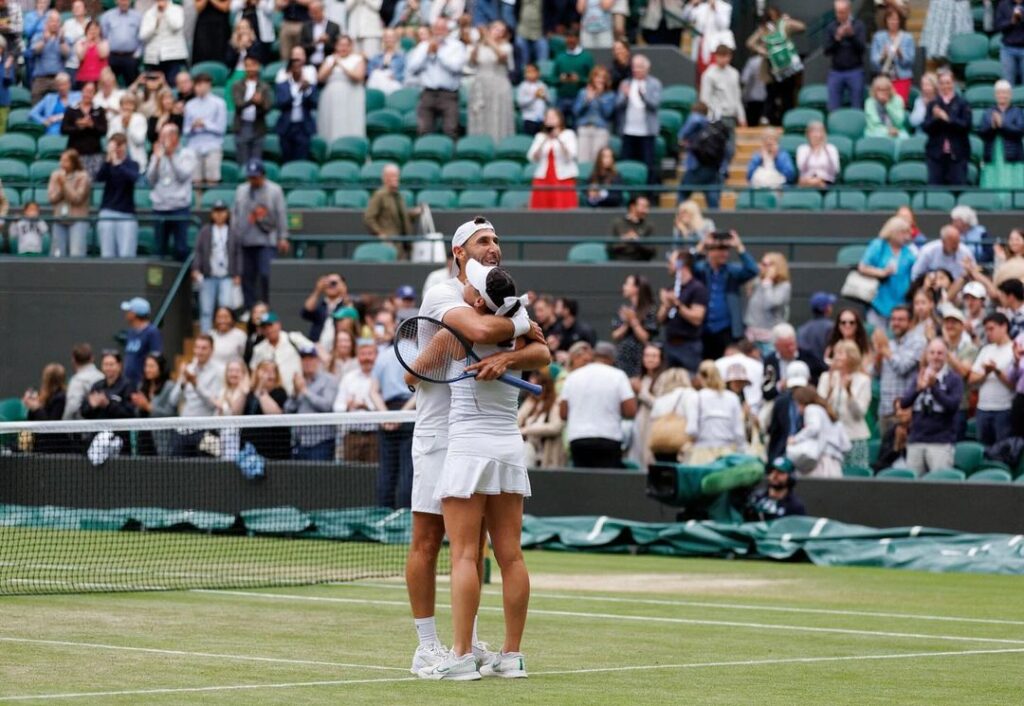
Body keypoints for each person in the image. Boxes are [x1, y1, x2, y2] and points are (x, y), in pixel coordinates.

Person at [403, 217, 549, 676]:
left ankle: (464, 646)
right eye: (483, 241)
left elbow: (540, 352)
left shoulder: (498, 298)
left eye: (497, 241)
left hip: (478, 435)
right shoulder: (443, 295)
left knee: (477, 548)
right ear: (459, 254)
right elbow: (483, 334)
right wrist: (515, 332)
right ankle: (429, 645)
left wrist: (511, 354)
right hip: (439, 434)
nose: (494, 247)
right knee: (429, 540)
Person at [559, 341, 636, 468]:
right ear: (612, 359)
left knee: (583, 483)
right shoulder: (618, 375)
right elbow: (631, 411)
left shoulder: (572, 377)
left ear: (594, 355)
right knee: (607, 484)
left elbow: (563, 414)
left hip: (578, 438)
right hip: (609, 437)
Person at [899, 336, 962, 475]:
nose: (935, 357)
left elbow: (952, 406)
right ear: (926, 356)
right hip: (916, 440)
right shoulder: (918, 376)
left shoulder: (954, 379)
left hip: (941, 442)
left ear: (946, 356)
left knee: (940, 486)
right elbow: (904, 403)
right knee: (914, 488)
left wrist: (934, 388)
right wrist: (918, 389)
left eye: (940, 353)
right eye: (932, 353)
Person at [692, 230, 758, 360]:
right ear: (710, 252)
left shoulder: (732, 271)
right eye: (719, 249)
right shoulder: (702, 270)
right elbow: (687, 266)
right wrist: (702, 245)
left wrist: (739, 247)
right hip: (704, 329)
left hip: (726, 329)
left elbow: (752, 270)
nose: (724, 253)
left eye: (726, 250)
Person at [233, 158, 289, 308]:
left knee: (266, 274)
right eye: (250, 177)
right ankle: (250, 309)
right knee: (247, 277)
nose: (253, 180)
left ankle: (266, 305)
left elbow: (281, 213)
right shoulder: (241, 190)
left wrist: (283, 236)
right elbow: (235, 214)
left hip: (267, 240)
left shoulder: (274, 190)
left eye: (256, 176)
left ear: (263, 175)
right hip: (245, 240)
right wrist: (235, 236)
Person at [371, 340, 415, 507]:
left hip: (388, 414)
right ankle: (403, 518)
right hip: (409, 415)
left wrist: (385, 415)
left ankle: (383, 516)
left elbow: (373, 391)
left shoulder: (383, 355)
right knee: (407, 471)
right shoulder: (419, 353)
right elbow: (421, 391)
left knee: (386, 471)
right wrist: (401, 415)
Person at [407, 17, 466, 140]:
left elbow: (456, 68)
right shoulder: (423, 46)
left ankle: (452, 158)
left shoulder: (457, 46)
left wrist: (438, 53)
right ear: (432, 30)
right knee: (423, 130)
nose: (439, 32)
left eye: (442, 29)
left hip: (449, 94)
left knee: (451, 130)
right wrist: (427, 54)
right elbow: (412, 68)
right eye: (436, 29)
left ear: (447, 30)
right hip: (428, 93)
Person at [817, 339, 872, 467]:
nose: (837, 357)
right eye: (836, 353)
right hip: (831, 438)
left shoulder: (863, 380)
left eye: (841, 353)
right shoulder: (826, 377)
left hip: (854, 437)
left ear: (852, 357)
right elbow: (819, 408)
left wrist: (849, 393)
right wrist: (830, 392)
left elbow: (859, 413)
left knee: (855, 479)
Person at [746, 6, 805, 126]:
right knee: (771, 95)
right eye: (770, 17)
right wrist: (763, 51)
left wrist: (789, 20)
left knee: (788, 95)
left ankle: (789, 121)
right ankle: (767, 119)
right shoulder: (763, 30)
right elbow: (750, 42)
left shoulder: (784, 25)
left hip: (788, 67)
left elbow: (802, 27)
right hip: (771, 69)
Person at [872, 304, 924, 436]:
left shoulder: (918, 342)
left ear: (911, 322)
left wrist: (885, 350)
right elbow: (874, 373)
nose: (896, 323)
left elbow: (903, 367)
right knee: (886, 455)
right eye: (893, 319)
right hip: (885, 409)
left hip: (906, 413)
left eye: (900, 320)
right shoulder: (889, 343)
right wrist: (878, 354)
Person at [857, 215, 916, 330]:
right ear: (894, 232)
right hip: (878, 302)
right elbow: (863, 267)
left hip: (901, 302)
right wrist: (882, 273)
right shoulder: (879, 245)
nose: (907, 237)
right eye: (904, 233)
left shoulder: (908, 251)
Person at [147, 123, 195, 261]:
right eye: (161, 136)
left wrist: (170, 156)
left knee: (181, 248)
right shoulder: (157, 154)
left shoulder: (187, 154)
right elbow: (150, 179)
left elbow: (183, 175)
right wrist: (156, 160)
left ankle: (182, 281)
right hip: (159, 208)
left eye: (165, 136)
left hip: (179, 208)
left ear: (175, 137)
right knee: (158, 250)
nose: (161, 139)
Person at [192, 200, 242, 333]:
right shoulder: (205, 231)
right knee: (206, 310)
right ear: (212, 214)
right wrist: (196, 269)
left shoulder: (233, 232)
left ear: (227, 214)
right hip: (208, 276)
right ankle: (206, 336)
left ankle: (226, 335)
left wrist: (238, 274)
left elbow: (238, 254)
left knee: (225, 308)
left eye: (222, 212)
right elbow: (198, 251)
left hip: (227, 275)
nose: (219, 215)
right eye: (216, 212)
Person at [284, 345, 340, 460]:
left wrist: (305, 391)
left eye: (311, 359)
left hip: (321, 442)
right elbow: (287, 409)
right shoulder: (299, 380)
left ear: (317, 360)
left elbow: (327, 406)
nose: (307, 362)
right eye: (304, 359)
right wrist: (295, 393)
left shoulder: (329, 380)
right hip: (299, 442)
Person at [616, 53, 662, 193]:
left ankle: (648, 194)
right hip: (628, 131)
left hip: (647, 132)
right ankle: (624, 192)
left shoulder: (654, 84)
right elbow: (617, 105)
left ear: (647, 68)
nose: (637, 70)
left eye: (640, 67)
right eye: (634, 67)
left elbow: (655, 104)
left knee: (648, 164)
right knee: (625, 162)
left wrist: (643, 96)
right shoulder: (625, 83)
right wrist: (624, 96)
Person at [684, 360, 745, 464]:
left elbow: (691, 429)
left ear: (700, 377)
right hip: (727, 454)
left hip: (701, 453)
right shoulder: (732, 398)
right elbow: (739, 432)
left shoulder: (695, 397)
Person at [970, 312, 1016, 447]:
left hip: (1004, 409)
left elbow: (1014, 384)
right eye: (986, 330)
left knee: (1002, 450)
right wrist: (986, 372)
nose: (988, 333)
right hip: (983, 408)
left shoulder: (1014, 349)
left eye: (992, 329)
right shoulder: (986, 350)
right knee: (982, 450)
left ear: (1004, 327)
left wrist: (996, 371)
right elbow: (972, 379)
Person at [657, 250, 708, 372]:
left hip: (688, 345)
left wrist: (677, 304)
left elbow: (697, 318)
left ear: (680, 264)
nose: (668, 266)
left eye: (671, 262)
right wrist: (666, 304)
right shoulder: (671, 288)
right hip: (670, 343)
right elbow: (659, 319)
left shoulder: (697, 288)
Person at [468, 20, 514, 144]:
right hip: (480, 85)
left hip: (498, 85)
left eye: (501, 31)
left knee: (497, 119)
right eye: (495, 28)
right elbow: (472, 62)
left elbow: (502, 57)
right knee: (480, 117)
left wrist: (488, 39)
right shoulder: (481, 45)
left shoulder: (506, 47)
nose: (497, 32)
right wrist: (479, 42)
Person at [923, 69, 972, 187]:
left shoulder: (963, 103)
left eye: (948, 82)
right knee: (935, 190)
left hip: (957, 155)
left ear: (953, 83)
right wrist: (935, 118)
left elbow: (966, 126)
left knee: (958, 189)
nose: (945, 86)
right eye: (942, 83)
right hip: (936, 155)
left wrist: (947, 118)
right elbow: (926, 127)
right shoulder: (933, 104)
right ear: (938, 85)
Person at [95, 133, 140, 258]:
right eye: (115, 146)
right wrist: (108, 161)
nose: (118, 149)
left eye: (120, 145)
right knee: (107, 254)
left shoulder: (132, 164)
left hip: (126, 214)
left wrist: (117, 163)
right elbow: (99, 178)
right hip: (107, 211)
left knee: (127, 254)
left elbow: (133, 178)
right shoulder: (107, 165)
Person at [787, 386, 848, 478]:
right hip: (833, 462)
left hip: (822, 462)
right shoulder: (825, 411)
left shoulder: (811, 409)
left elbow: (814, 428)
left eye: (797, 404)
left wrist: (795, 439)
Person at [527, 107, 579, 209]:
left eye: (553, 117)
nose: (550, 120)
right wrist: (544, 140)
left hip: (563, 177)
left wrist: (558, 138)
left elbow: (571, 155)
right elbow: (532, 157)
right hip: (543, 177)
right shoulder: (540, 136)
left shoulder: (568, 134)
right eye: (548, 117)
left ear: (559, 119)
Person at [317, 35, 366, 142]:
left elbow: (358, 77)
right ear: (336, 46)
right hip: (331, 97)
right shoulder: (330, 59)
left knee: (350, 122)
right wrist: (333, 65)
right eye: (340, 45)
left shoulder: (358, 59)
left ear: (351, 46)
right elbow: (320, 78)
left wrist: (341, 64)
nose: (343, 48)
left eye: (346, 45)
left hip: (351, 96)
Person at [676, 102, 725, 208]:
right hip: (713, 167)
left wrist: (683, 140)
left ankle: (678, 219)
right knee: (712, 197)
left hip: (697, 166)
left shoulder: (695, 119)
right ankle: (717, 220)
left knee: (683, 193)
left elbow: (681, 135)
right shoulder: (711, 125)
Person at [762, 322, 827, 402]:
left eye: (792, 344)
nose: (791, 349)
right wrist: (780, 386)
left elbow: (823, 375)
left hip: (806, 399)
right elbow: (766, 391)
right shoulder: (770, 361)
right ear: (777, 346)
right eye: (786, 346)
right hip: (779, 402)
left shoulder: (808, 357)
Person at [249, 312, 310, 395]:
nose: (268, 330)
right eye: (264, 327)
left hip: (295, 392)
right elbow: (254, 372)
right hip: (272, 396)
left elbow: (314, 353)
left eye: (270, 325)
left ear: (278, 325)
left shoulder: (293, 339)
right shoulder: (259, 349)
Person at [364, 164, 418, 257]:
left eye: (397, 175)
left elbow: (401, 216)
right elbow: (369, 217)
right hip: (389, 242)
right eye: (392, 176)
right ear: (385, 178)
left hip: (402, 242)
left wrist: (413, 213)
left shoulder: (399, 196)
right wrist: (380, 234)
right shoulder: (379, 195)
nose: (396, 178)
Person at [183, 73, 227, 188]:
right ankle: (197, 205)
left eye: (202, 84)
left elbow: (221, 128)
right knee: (195, 182)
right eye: (197, 85)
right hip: (194, 146)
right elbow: (185, 130)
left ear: (209, 85)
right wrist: (192, 126)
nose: (199, 88)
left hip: (212, 146)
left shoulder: (219, 103)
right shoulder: (189, 105)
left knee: (212, 181)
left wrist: (205, 124)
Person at [979, 79, 1024, 190]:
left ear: (1010, 95)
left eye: (1005, 92)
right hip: (992, 154)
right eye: (999, 92)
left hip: (1012, 156)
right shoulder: (988, 112)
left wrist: (1002, 124)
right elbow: (982, 133)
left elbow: (1020, 131)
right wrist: (993, 126)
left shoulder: (1018, 112)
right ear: (995, 95)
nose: (1002, 95)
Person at [611, 274, 658, 377]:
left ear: (637, 288)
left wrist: (633, 321)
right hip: (622, 357)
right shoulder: (624, 310)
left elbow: (646, 338)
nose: (624, 287)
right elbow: (615, 335)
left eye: (627, 284)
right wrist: (627, 323)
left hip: (640, 359)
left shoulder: (650, 310)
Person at [242, 359, 290, 458]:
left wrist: (261, 390)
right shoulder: (250, 393)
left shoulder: (280, 392)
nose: (269, 375)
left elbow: (274, 414)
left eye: (272, 372)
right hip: (250, 448)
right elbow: (236, 412)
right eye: (265, 371)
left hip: (274, 449)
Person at [47, 148, 91, 258]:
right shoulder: (55, 175)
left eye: (65, 161)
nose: (62, 163)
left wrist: (64, 184)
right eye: (61, 160)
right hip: (59, 218)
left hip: (77, 219)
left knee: (76, 254)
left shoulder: (83, 176)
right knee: (57, 254)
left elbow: (77, 198)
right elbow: (51, 198)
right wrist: (62, 188)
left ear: (73, 162)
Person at [518, 367, 565, 468]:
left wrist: (527, 430)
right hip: (529, 449)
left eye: (535, 386)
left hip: (548, 453)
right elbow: (517, 421)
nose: (533, 391)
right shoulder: (531, 402)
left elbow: (555, 427)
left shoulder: (556, 402)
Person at [274, 54, 318, 162]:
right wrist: (297, 92)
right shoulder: (282, 85)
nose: (298, 70)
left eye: (300, 68)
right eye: (296, 67)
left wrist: (307, 91)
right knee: (286, 158)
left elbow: (314, 104)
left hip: (303, 128)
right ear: (290, 70)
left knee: (302, 159)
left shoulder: (309, 86)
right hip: (286, 128)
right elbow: (280, 104)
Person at [824, 0, 866, 111]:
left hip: (855, 71)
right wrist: (837, 38)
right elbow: (827, 51)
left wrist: (852, 36)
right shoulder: (831, 27)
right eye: (837, 12)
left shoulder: (858, 25)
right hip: (836, 72)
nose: (840, 15)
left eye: (842, 12)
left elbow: (862, 49)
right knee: (833, 107)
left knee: (856, 106)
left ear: (849, 11)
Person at [231, 54, 273, 167]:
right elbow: (238, 104)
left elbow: (268, 108)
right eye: (247, 66)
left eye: (253, 65)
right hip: (242, 126)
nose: (250, 68)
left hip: (258, 127)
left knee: (256, 163)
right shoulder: (237, 85)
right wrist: (252, 101)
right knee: (243, 163)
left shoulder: (265, 86)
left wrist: (260, 103)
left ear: (258, 66)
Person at [60, 81, 108, 177]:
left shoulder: (99, 110)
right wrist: (79, 127)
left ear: (94, 94)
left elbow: (104, 130)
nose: (88, 94)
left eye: (91, 92)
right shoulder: (71, 109)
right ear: (82, 92)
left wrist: (92, 126)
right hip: (75, 153)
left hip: (94, 153)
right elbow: (64, 129)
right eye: (86, 91)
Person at [744, 252, 791, 348]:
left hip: (769, 337)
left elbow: (771, 304)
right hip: (752, 334)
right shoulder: (758, 281)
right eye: (762, 264)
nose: (762, 267)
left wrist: (768, 283)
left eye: (766, 265)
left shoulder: (784, 286)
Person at [679, 0, 733, 82]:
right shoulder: (701, 7)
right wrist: (691, 4)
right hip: (701, 46)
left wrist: (715, 8)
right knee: (700, 75)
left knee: (716, 75)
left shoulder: (725, 7)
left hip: (716, 47)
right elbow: (685, 18)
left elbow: (723, 26)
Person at [139, 0, 189, 85]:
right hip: (154, 58)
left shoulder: (177, 10)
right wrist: (155, 24)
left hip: (173, 56)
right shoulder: (149, 13)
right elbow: (142, 36)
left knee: (172, 85)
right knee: (155, 86)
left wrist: (165, 10)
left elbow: (176, 26)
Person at [572, 65, 615, 164]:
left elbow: (607, 114)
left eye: (603, 77)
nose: (600, 80)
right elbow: (576, 111)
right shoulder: (583, 93)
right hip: (584, 128)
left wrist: (599, 98)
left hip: (600, 130)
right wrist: (587, 100)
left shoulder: (610, 95)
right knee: (582, 160)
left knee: (597, 161)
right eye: (597, 77)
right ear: (593, 78)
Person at [870, 9, 914, 104]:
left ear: (900, 21)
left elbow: (910, 61)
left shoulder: (907, 37)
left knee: (899, 106)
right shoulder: (878, 37)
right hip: (883, 78)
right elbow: (873, 61)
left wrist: (901, 54)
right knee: (882, 106)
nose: (893, 22)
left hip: (901, 77)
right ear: (886, 21)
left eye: (895, 19)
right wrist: (882, 55)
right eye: (890, 19)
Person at [743, 456, 806, 521]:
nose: (774, 476)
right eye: (772, 471)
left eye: (780, 472)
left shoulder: (795, 506)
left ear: (790, 477)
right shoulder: (756, 499)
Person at [80, 350, 136, 421]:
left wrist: (108, 404)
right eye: (105, 364)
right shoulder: (97, 386)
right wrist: (91, 405)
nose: (108, 368)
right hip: (98, 429)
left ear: (119, 366)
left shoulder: (127, 386)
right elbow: (84, 412)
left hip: (118, 429)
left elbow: (130, 413)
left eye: (111, 364)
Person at [23, 363, 68, 448]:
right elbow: (31, 420)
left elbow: (51, 424)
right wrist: (32, 407)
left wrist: (36, 408)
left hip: (54, 445)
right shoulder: (45, 396)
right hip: (40, 441)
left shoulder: (60, 398)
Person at [553, 27, 593, 123]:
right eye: (568, 38)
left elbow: (592, 79)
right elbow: (552, 78)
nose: (570, 40)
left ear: (578, 39)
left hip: (578, 97)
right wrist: (560, 79)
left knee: (577, 125)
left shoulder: (586, 57)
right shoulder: (560, 57)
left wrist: (579, 79)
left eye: (573, 38)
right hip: (561, 97)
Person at [29, 11, 68, 104]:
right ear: (46, 23)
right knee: (36, 102)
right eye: (52, 21)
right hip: (40, 78)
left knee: (60, 106)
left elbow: (67, 54)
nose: (54, 23)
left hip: (58, 79)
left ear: (60, 24)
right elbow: (34, 51)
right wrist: (45, 40)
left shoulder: (63, 38)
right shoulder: (38, 36)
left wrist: (61, 40)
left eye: (57, 21)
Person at [102, 0, 142, 86]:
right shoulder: (107, 16)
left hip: (130, 57)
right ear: (116, 1)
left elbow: (141, 37)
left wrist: (137, 54)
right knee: (109, 84)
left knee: (132, 85)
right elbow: (104, 36)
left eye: (126, 0)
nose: (124, 2)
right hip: (112, 57)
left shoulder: (138, 16)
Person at [107, 92, 148, 171]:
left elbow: (140, 140)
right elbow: (111, 139)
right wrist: (122, 125)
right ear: (121, 106)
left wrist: (128, 126)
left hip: (137, 159)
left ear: (134, 106)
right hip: (118, 160)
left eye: (130, 104)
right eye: (125, 104)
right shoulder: (115, 120)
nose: (127, 107)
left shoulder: (140, 118)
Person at [822, 306, 872, 370]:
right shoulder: (831, 347)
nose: (847, 325)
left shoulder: (864, 347)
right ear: (838, 325)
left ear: (857, 325)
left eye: (852, 322)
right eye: (843, 322)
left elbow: (867, 370)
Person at [608, 195, 655, 261]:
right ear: (632, 207)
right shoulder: (617, 223)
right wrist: (624, 239)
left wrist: (638, 240)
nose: (647, 211)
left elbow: (652, 250)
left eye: (647, 207)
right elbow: (609, 247)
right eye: (644, 207)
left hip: (641, 264)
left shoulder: (649, 226)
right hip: (620, 263)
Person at [794, 121, 841, 188]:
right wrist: (811, 150)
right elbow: (801, 168)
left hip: (827, 182)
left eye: (820, 131)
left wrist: (819, 179)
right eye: (813, 132)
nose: (817, 135)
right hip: (806, 181)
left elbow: (836, 169)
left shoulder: (831, 149)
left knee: (820, 184)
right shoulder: (802, 149)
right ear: (808, 134)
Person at [366, 28, 405, 95]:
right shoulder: (376, 56)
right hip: (378, 82)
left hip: (394, 82)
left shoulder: (402, 56)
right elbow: (370, 71)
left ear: (396, 39)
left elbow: (407, 72)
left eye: (391, 37)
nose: (389, 39)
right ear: (383, 39)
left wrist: (395, 76)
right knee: (376, 73)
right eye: (386, 37)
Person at [515, 62, 550, 135]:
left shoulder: (542, 85)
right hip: (529, 118)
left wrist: (545, 97)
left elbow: (549, 101)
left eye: (533, 71)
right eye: (528, 72)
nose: (530, 74)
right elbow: (520, 103)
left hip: (542, 118)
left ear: (538, 73)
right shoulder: (523, 86)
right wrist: (534, 96)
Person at [73, 20, 109, 88]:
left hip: (100, 79)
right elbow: (81, 57)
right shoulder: (80, 43)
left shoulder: (104, 43)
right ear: (86, 31)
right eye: (91, 29)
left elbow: (103, 55)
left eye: (95, 29)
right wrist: (87, 42)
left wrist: (97, 41)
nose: (93, 31)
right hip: (84, 78)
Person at [998, 0, 1024, 85]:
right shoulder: (1003, 4)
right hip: (1007, 49)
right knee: (1007, 84)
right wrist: (1011, 21)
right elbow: (998, 26)